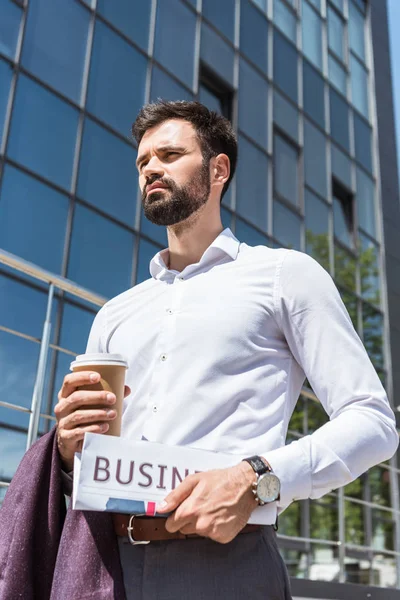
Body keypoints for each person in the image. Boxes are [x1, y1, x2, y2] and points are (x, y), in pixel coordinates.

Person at [54, 101, 398, 600]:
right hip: (108, 570)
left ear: (218, 169)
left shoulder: (285, 275)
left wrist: (257, 478)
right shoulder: (116, 313)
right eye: (142, 161)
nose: (150, 167)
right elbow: (87, 461)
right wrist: (67, 451)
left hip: (229, 566)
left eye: (170, 154)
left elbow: (373, 422)